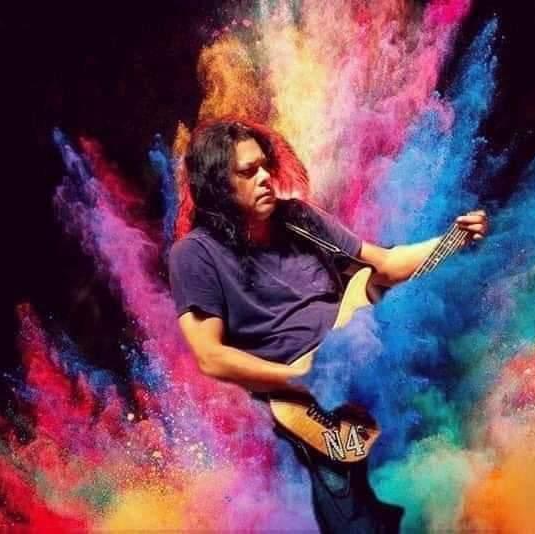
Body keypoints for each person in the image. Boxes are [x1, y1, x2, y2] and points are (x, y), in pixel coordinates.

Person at [168, 117, 489, 533]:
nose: (265, 177)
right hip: (299, 396)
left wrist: (455, 238)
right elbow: (210, 357)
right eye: (248, 172)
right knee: (354, 513)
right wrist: (296, 377)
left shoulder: (298, 218)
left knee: (439, 467)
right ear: (216, 185)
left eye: (265, 165)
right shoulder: (193, 255)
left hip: (359, 355)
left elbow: (386, 265)